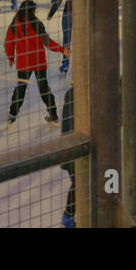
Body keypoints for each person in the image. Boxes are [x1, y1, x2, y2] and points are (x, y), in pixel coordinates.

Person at [4, 0, 65, 124]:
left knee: (20, 89)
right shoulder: (37, 24)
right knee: (44, 89)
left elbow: (8, 44)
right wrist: (62, 50)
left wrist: (11, 58)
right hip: (39, 62)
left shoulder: (14, 25)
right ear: (32, 11)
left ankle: (12, 115)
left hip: (24, 63)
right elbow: (48, 42)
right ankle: (53, 115)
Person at [60, 80, 76, 228]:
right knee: (78, 183)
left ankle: (68, 217)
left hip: (71, 152)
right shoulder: (75, 95)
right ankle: (68, 217)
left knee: (78, 183)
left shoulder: (73, 93)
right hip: (74, 152)